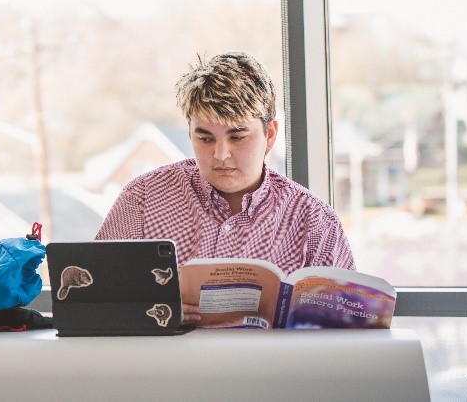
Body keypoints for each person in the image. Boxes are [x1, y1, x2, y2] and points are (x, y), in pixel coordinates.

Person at [94, 50, 355, 325]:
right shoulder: (143, 199)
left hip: (275, 367)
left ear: (270, 135)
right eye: (205, 138)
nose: (221, 154)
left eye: (238, 137)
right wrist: (153, 315)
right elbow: (91, 302)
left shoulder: (315, 222)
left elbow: (347, 329)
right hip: (166, 367)